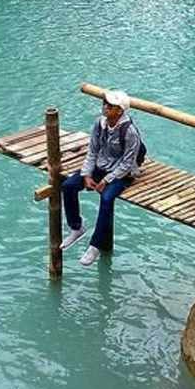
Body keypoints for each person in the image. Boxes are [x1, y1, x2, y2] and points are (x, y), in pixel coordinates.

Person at [60, 90, 143, 266]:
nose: (105, 107)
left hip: (122, 173)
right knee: (68, 185)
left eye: (110, 106)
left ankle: (95, 245)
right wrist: (86, 174)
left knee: (107, 198)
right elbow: (93, 150)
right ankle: (76, 228)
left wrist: (107, 180)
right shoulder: (100, 123)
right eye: (105, 104)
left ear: (119, 111)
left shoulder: (130, 133)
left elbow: (127, 164)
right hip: (101, 165)